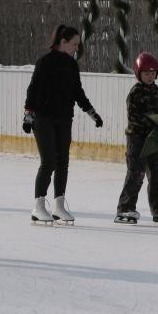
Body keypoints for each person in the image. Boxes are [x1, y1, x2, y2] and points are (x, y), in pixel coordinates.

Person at [24, 24, 103, 225]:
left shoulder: (71, 65)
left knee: (63, 162)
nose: (77, 47)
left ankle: (59, 205)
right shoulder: (45, 62)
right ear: (63, 42)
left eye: (78, 44)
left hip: (64, 118)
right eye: (74, 44)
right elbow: (33, 89)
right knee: (48, 161)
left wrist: (92, 112)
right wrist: (28, 115)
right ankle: (39, 206)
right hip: (43, 118)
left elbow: (78, 92)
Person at [115, 52, 158, 224]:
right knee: (136, 174)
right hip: (137, 139)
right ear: (138, 73)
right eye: (146, 73)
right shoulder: (135, 93)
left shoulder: (156, 91)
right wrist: (152, 124)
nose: (150, 76)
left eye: (153, 72)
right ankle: (125, 208)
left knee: (156, 175)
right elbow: (134, 117)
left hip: (153, 141)